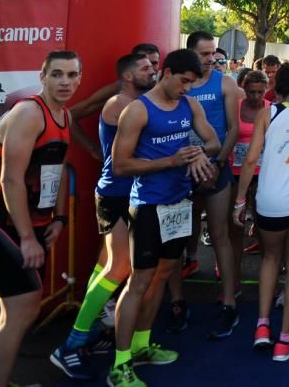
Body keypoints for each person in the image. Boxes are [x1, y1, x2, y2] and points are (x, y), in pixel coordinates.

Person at [108, 48, 221, 387]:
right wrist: (171, 161)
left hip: (178, 204)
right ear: (166, 72)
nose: (187, 88)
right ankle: (120, 364)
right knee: (138, 283)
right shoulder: (137, 110)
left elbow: (213, 141)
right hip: (147, 206)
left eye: (192, 83)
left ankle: (142, 346)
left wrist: (197, 152)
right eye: (184, 81)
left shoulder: (190, 105)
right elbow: (120, 165)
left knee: (163, 275)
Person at [0, 51, 80, 387]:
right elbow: (11, 179)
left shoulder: (62, 115)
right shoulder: (28, 113)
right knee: (22, 310)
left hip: (34, 226)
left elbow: (59, 167)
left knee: (6, 306)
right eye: (57, 74)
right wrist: (25, 237)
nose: (65, 81)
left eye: (71, 74)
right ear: (43, 76)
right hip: (6, 227)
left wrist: (60, 218)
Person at [52, 53, 154, 380]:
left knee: (105, 265)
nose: (152, 70)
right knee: (119, 266)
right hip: (114, 194)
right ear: (127, 76)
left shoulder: (139, 101)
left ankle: (90, 328)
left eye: (154, 66)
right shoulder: (120, 103)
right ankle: (69, 344)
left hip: (131, 193)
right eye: (146, 67)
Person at [233, 63, 289, 362]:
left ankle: (262, 326)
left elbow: (250, 160)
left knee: (271, 258)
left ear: (277, 89)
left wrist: (239, 201)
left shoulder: (267, 114)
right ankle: (285, 341)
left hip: (271, 199)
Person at [180, 31, 244, 339]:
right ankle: (177, 302)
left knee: (221, 236)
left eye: (213, 53)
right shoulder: (180, 84)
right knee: (176, 238)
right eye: (204, 54)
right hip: (181, 172)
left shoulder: (226, 83)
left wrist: (218, 164)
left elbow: (233, 128)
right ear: (191, 53)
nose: (210, 59)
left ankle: (229, 302)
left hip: (217, 171)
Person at [229, 71, 269, 263]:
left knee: (263, 224)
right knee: (236, 223)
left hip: (263, 173)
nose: (256, 97)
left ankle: (270, 265)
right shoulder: (234, 108)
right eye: (252, 92)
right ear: (243, 89)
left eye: (261, 92)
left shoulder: (271, 109)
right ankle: (230, 267)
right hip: (236, 171)